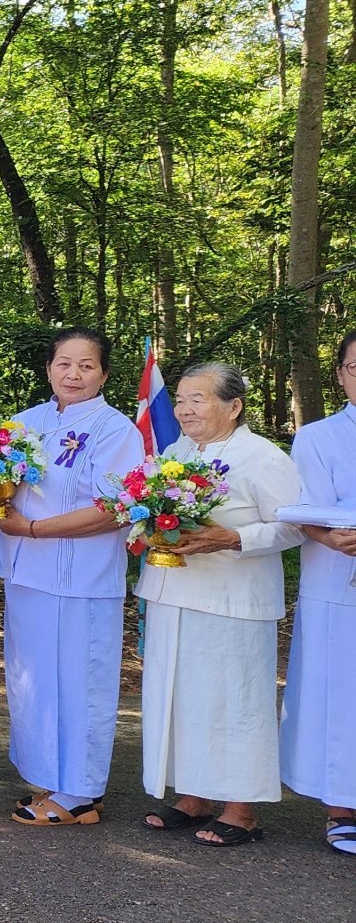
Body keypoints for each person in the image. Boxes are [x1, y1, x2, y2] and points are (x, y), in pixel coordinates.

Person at [136, 362, 301, 846]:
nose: (184, 409)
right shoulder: (177, 451)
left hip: (232, 600)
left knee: (233, 702)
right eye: (180, 399)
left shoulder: (262, 456)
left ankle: (241, 810)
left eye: (198, 399)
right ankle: (193, 797)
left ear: (233, 407)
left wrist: (233, 538)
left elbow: (294, 526)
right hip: (172, 592)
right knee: (180, 699)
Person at [0, 329, 141, 825]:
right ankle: (49, 779)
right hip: (25, 572)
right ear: (49, 368)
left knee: (80, 682)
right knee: (32, 681)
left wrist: (32, 528)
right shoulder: (25, 422)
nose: (73, 374)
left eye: (86, 365)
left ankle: (80, 793)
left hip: (81, 578)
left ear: (104, 374)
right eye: (63, 363)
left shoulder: (115, 430)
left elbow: (114, 508)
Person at [283, 331, 356, 855]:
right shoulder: (317, 437)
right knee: (340, 696)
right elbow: (304, 508)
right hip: (338, 577)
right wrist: (334, 536)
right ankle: (342, 806)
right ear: (341, 373)